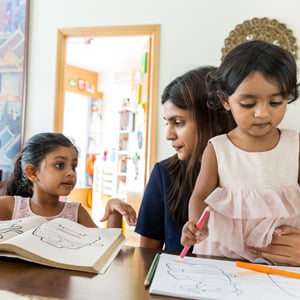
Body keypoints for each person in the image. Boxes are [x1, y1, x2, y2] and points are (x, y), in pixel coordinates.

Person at [181, 40, 300, 262]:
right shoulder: (218, 148)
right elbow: (200, 195)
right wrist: (195, 224)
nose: (262, 113)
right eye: (248, 104)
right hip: (226, 252)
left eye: (275, 102)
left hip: (283, 254)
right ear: (225, 100)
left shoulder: (295, 144)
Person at [134, 66, 235, 251]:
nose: (169, 135)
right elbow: (147, 257)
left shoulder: (253, 173)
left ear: (213, 119)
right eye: (167, 122)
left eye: (178, 123)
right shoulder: (163, 174)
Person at [0, 132, 136, 228]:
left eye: (74, 166)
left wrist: (114, 211)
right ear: (32, 172)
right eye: (60, 165)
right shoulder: (9, 206)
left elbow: (106, 250)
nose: (71, 173)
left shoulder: (77, 213)